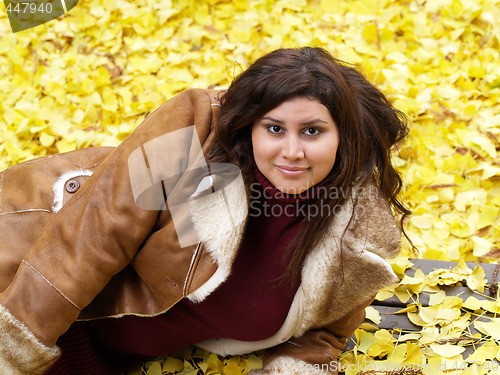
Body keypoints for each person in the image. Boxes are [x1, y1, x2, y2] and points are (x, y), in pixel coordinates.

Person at [0, 47, 410, 375]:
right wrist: (13, 352)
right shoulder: (194, 132)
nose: (292, 151)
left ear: (344, 138)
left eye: (313, 131)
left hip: (107, 361)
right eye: (274, 128)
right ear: (250, 126)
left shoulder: (355, 238)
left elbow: (325, 335)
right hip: (23, 287)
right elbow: (94, 236)